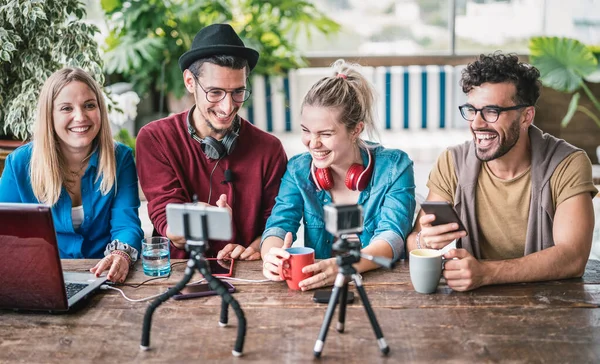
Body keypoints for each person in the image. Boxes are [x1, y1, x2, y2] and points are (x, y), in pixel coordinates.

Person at [407, 52, 598, 291]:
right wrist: (424, 240)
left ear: (526, 116)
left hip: (549, 306)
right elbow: (413, 242)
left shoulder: (567, 164)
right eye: (472, 110)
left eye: (491, 111)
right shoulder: (452, 162)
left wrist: (486, 273)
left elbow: (573, 258)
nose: (477, 124)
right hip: (468, 309)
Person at [261, 59, 416, 291]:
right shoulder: (298, 169)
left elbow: (392, 238)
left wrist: (345, 265)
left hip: (382, 288)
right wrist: (270, 255)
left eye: (325, 133)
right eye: (306, 131)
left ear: (356, 130)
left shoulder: (395, 167)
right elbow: (279, 225)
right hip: (317, 289)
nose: (313, 143)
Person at [136, 23, 287, 260]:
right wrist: (197, 221)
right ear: (189, 82)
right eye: (214, 92)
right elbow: (164, 217)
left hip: (246, 276)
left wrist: (256, 249)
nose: (228, 107)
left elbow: (277, 221)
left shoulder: (270, 149)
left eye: (238, 92)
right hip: (179, 275)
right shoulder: (155, 138)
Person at [0, 68, 144, 283]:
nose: (80, 117)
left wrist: (121, 254)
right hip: (41, 277)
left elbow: (127, 223)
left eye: (89, 105)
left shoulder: (120, 158)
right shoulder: (20, 164)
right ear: (49, 116)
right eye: (66, 108)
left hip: (104, 276)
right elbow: (7, 235)